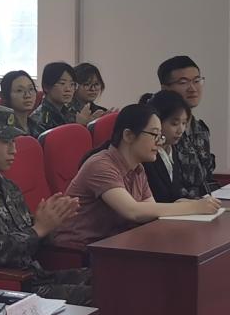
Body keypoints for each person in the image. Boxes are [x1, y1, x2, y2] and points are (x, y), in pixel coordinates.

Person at [0, 103, 92, 305]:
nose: (14, 150)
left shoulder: (7, 185)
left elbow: (30, 239)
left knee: (110, 277)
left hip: (35, 277)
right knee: (102, 296)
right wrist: (38, 229)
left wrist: (52, 224)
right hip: (7, 289)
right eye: (6, 142)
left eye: (14, 141)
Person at [54, 104, 221, 251]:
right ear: (128, 135)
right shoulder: (101, 165)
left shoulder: (138, 168)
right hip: (79, 252)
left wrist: (182, 204)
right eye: (154, 135)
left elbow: (150, 210)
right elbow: (133, 211)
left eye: (160, 136)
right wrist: (194, 207)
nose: (159, 142)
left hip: (112, 245)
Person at [159, 55, 217, 198]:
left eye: (197, 81)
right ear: (165, 88)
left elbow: (208, 178)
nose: (193, 88)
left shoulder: (201, 129)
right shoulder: (158, 129)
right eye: (183, 82)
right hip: (177, 205)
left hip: (207, 202)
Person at [140, 90, 191, 203]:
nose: (180, 130)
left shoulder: (173, 149)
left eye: (184, 123)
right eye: (174, 123)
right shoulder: (146, 153)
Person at [30, 62, 97, 133]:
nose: (68, 89)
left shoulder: (69, 112)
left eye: (72, 84)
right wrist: (80, 126)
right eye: (62, 83)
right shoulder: (40, 120)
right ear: (46, 86)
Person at [0, 70, 38, 135]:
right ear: (5, 95)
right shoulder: (2, 130)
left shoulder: (37, 127)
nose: (27, 95)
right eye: (19, 90)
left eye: (31, 89)